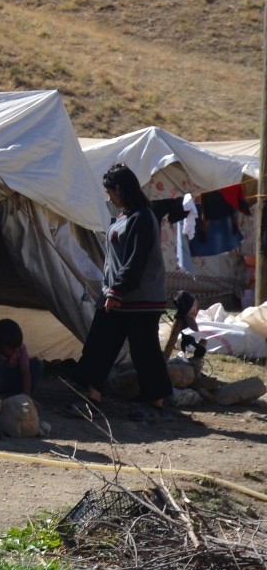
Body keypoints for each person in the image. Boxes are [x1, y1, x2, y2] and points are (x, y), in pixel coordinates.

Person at [70, 163, 174, 417]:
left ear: (122, 190)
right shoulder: (124, 217)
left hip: (138, 298)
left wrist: (118, 290)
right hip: (115, 295)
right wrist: (112, 291)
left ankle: (156, 403)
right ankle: (92, 396)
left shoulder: (142, 218)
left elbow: (135, 260)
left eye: (111, 193)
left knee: (145, 350)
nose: (110, 198)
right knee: (100, 343)